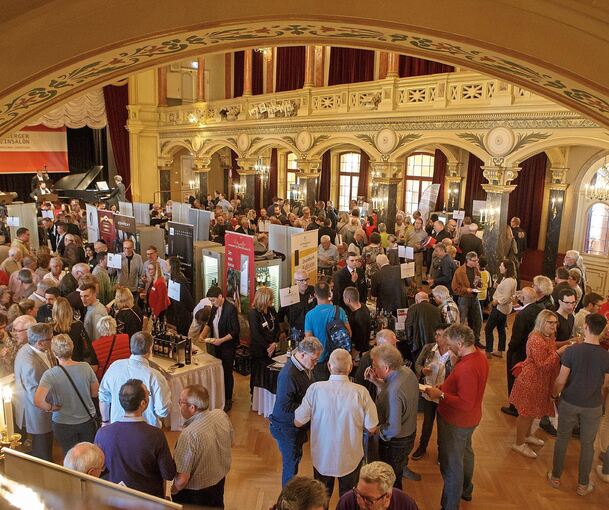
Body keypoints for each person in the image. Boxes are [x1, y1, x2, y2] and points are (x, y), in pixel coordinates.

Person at [294, 349, 379, 498]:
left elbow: (298, 422)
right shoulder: (361, 392)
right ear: (351, 367)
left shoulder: (315, 389)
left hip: (322, 457)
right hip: (350, 458)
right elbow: (372, 427)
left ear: (329, 366)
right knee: (348, 500)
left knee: (321, 499)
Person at [424, 323, 489, 509]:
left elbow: (465, 402)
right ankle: (466, 490)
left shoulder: (467, 367)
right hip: (471, 420)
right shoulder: (478, 357)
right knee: (466, 454)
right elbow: (462, 389)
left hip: (456, 421)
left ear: (460, 343)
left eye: (450, 344)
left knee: (452, 466)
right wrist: (444, 388)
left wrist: (441, 395)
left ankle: (449, 505)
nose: (448, 346)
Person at [550, 313, 609, 496]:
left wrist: (553, 395)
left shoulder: (573, 351)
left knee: (562, 439)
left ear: (585, 326)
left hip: (569, 401)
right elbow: (605, 385)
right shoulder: (606, 356)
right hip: (593, 406)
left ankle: (555, 477)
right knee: (588, 445)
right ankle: (583, 485)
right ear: (602, 331)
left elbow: (561, 380)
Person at [95, 379, 176, 498]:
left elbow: (98, 469)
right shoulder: (155, 435)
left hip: (115, 497)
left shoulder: (102, 433)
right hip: (148, 499)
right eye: (148, 394)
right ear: (143, 403)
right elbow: (168, 474)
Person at [270, 337, 323, 487]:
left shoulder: (303, 366)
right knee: (290, 467)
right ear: (302, 354)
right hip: (286, 427)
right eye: (314, 359)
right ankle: (286, 500)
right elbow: (284, 407)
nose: (316, 363)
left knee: (295, 459)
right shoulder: (288, 375)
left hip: (295, 426)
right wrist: (309, 408)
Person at [34, 334, 99, 455]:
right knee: (88, 456)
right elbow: (95, 393)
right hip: (86, 420)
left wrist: (51, 408)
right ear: (72, 348)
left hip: (62, 423)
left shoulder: (50, 374)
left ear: (53, 352)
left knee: (70, 456)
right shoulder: (86, 367)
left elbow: (38, 401)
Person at [508, 309, 561, 458]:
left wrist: (566, 343)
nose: (553, 326)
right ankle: (519, 443)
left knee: (532, 411)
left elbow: (551, 348)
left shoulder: (548, 336)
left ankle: (527, 435)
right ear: (541, 322)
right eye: (550, 322)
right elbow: (542, 364)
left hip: (540, 381)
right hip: (531, 380)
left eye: (555, 322)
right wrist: (560, 352)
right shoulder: (536, 338)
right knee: (525, 413)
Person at [365, 344, 420, 485]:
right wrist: (376, 381)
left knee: (391, 479)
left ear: (386, 368)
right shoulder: (407, 372)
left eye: (375, 365)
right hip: (409, 433)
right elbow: (393, 389)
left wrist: (376, 431)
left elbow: (393, 429)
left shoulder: (394, 392)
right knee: (397, 471)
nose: (373, 367)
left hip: (396, 443)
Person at [171, 384, 234, 507]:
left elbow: (182, 479)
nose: (179, 405)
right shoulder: (221, 415)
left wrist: (175, 488)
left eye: (181, 402)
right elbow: (232, 442)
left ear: (192, 407)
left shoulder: (188, 435)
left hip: (195, 494)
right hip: (219, 481)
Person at [98, 332, 171, 427]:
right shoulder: (155, 376)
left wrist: (105, 422)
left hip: (117, 426)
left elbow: (103, 396)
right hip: (147, 430)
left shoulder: (115, 367)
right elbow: (163, 412)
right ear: (150, 349)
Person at [412, 324, 455, 461]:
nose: (436, 337)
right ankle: (422, 447)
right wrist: (422, 371)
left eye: (439, 335)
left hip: (443, 395)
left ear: (447, 338)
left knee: (443, 426)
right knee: (427, 422)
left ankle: (442, 453)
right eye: (436, 334)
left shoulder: (454, 353)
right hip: (428, 391)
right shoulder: (429, 348)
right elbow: (417, 364)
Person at [13, 322, 54, 461]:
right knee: (43, 453)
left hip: (38, 411)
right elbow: (35, 396)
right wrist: (51, 408)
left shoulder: (28, 348)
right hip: (37, 414)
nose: (52, 341)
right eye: (50, 338)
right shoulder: (31, 364)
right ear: (41, 343)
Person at [501, 286, 543, 417]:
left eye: (520, 296)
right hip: (533, 352)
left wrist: (511, 348)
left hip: (519, 352)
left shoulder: (523, 315)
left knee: (514, 378)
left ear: (524, 298)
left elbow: (517, 337)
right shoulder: (541, 311)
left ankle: (514, 407)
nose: (519, 297)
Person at [201, 286, 240, 412]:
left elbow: (235, 331)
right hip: (216, 345)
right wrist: (203, 334)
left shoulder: (231, 309)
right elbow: (209, 323)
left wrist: (221, 340)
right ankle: (220, 395)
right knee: (218, 370)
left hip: (227, 345)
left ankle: (228, 399)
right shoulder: (214, 307)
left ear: (220, 296)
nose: (212, 303)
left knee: (227, 372)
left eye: (213, 300)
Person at [304, 280, 351, 381]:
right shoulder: (339, 311)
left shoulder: (310, 315)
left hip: (319, 359)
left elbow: (309, 340)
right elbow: (349, 333)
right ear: (329, 293)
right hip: (337, 358)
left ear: (315, 295)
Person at [336, 461, 420, 510]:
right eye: (358, 493)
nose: (361, 503)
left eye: (369, 500)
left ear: (387, 496)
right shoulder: (346, 502)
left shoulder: (406, 505)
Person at [249, 287, 280, 394]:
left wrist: (274, 343)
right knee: (258, 373)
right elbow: (256, 334)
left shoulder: (271, 310)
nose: (272, 301)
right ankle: (255, 396)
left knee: (269, 373)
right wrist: (268, 346)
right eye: (271, 299)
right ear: (264, 299)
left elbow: (277, 328)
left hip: (271, 348)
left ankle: (267, 395)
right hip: (259, 350)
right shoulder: (254, 313)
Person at [484, 259, 517, 359]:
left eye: (501, 266)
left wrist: (496, 301)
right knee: (501, 329)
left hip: (499, 309)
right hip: (505, 309)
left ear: (506, 268)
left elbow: (506, 297)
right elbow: (509, 294)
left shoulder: (508, 281)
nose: (499, 267)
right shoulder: (512, 279)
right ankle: (500, 351)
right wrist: (498, 286)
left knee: (488, 329)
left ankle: (488, 351)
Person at [52, 296, 96, 366]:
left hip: (58, 365)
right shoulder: (78, 325)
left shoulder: (50, 329)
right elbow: (86, 347)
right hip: (77, 363)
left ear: (54, 311)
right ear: (69, 310)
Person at [452, 251, 483, 348]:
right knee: (462, 321)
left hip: (474, 297)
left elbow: (479, 284)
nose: (476, 262)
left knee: (478, 320)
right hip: (464, 298)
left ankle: (476, 340)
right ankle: (460, 342)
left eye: (477, 260)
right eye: (474, 261)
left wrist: (479, 283)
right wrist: (466, 289)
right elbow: (455, 288)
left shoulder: (476, 270)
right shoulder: (459, 271)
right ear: (468, 260)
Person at [278, 269, 316, 343]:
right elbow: (280, 316)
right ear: (295, 281)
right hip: (296, 331)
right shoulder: (288, 294)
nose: (305, 283)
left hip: (312, 329)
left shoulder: (312, 290)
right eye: (301, 280)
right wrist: (282, 331)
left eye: (306, 279)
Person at [403, 291, 442, 364]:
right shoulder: (437, 310)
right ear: (428, 300)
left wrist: (410, 343)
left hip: (418, 346)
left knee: (419, 367)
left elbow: (408, 327)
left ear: (416, 301)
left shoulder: (412, 309)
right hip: (434, 345)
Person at [91, 315, 131, 380]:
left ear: (99, 329)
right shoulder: (126, 338)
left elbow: (95, 367)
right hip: (124, 374)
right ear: (114, 327)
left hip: (107, 377)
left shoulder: (95, 345)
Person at [167, 255, 195, 335]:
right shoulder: (174, 277)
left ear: (171, 266)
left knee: (183, 335)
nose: (165, 267)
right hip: (177, 313)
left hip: (183, 315)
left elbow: (187, 298)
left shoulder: (179, 279)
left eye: (167, 265)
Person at [343, 286, 371, 357]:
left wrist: (351, 357)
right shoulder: (363, 306)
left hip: (359, 354)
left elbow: (360, 343)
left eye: (344, 297)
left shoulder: (358, 318)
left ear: (348, 300)